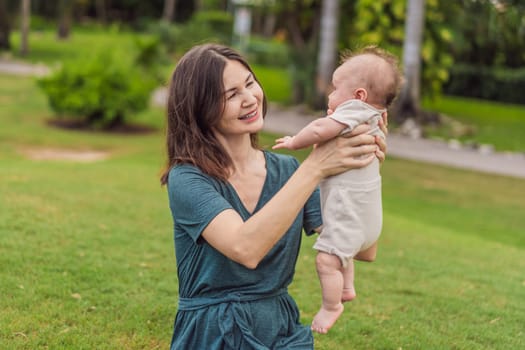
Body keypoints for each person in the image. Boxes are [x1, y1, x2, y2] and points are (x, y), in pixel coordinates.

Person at [160, 43, 388, 349]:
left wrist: (365, 173)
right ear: (200, 108)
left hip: (280, 329)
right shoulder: (187, 178)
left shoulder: (286, 170)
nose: (250, 99)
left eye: (250, 83)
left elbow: (363, 250)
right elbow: (245, 248)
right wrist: (315, 167)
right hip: (213, 333)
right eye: (231, 95)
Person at [272, 46, 403, 334]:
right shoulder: (375, 119)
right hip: (367, 222)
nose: (330, 95)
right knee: (340, 243)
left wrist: (296, 141)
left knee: (325, 260)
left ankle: (332, 305)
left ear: (359, 95)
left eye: (335, 88)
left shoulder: (354, 110)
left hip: (349, 213)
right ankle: (347, 286)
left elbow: (320, 129)